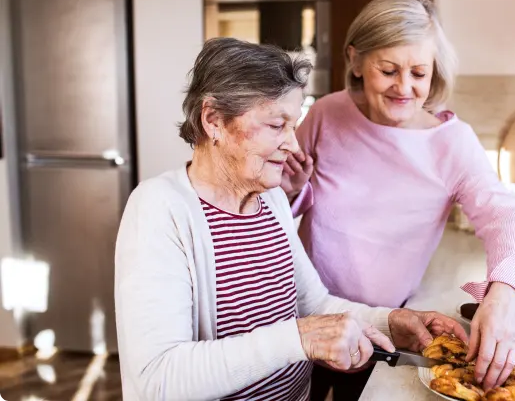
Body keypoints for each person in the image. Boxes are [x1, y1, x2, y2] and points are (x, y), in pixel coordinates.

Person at [114, 37, 467, 401]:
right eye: (275, 126)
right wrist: (300, 338)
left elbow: (313, 306)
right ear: (213, 120)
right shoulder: (160, 209)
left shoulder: (271, 200)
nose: (294, 145)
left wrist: (390, 323)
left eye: (293, 126)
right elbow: (158, 379)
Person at [282, 0, 515, 400]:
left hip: (386, 330)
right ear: (355, 61)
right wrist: (292, 189)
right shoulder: (325, 115)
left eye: (419, 73)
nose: (405, 87)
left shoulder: (452, 143)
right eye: (388, 70)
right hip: (306, 315)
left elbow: (503, 217)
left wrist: (506, 291)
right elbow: (275, 207)